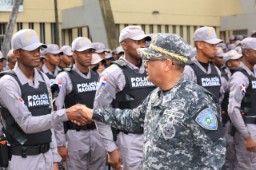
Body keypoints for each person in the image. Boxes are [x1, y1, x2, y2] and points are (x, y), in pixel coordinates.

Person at [79, 33, 226, 169]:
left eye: (149, 59)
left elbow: (214, 154)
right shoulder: (156, 95)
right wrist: (93, 113)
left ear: (167, 64)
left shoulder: (198, 100)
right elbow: (133, 119)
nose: (145, 64)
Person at [0, 29, 88, 170]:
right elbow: (27, 124)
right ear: (17, 53)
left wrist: (54, 157)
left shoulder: (43, 79)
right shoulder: (8, 83)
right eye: (31, 50)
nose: (37, 54)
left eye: (38, 49)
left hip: (46, 155)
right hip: (22, 159)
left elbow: (49, 122)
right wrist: (66, 114)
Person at [94, 25, 154, 170]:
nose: (142, 46)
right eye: (137, 42)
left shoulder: (152, 67)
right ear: (124, 45)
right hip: (129, 140)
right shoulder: (112, 73)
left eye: (143, 42)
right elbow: (100, 112)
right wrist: (111, 148)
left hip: (154, 136)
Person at [53, 37, 106, 170]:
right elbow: (57, 110)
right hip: (75, 135)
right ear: (74, 54)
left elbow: (104, 107)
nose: (88, 56)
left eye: (90, 52)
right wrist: (60, 144)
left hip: (97, 133)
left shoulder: (98, 77)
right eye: (83, 52)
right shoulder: (64, 77)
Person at [227, 37, 256, 170]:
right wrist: (246, 136)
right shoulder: (241, 78)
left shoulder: (252, 74)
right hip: (247, 127)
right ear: (247, 52)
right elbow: (233, 109)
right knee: (247, 166)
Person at [184, 26, 225, 102]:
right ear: (200, 45)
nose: (215, 48)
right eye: (212, 45)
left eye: (216, 45)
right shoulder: (188, 70)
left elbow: (220, 95)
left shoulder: (215, 69)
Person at [221, 49, 242, 170]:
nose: (239, 62)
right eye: (236, 60)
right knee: (229, 152)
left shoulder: (241, 76)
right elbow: (221, 98)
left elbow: (242, 93)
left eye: (239, 60)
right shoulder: (224, 78)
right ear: (229, 63)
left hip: (238, 119)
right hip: (227, 121)